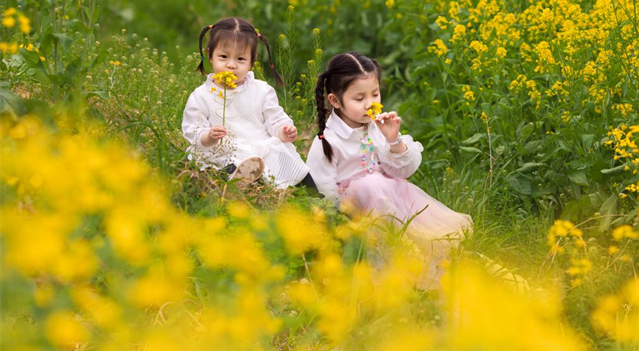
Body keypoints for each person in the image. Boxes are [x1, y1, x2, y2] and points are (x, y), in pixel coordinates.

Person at [306, 51, 472, 286]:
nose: (370, 103)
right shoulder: (327, 141)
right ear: (335, 101)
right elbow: (321, 192)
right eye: (359, 98)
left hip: (387, 201)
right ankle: (396, 268)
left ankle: (423, 263)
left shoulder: (374, 127)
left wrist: (394, 140)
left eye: (375, 94)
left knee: (382, 185)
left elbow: (401, 172)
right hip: (354, 213)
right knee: (372, 184)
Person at [182, 17, 313, 189]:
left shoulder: (262, 90)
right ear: (210, 55)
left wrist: (283, 130)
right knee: (220, 164)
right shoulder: (201, 95)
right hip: (224, 150)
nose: (231, 65)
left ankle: (315, 196)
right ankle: (239, 183)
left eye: (241, 59)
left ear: (252, 62)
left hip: (259, 147)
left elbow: (274, 118)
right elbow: (193, 129)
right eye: (223, 56)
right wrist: (208, 137)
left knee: (292, 164)